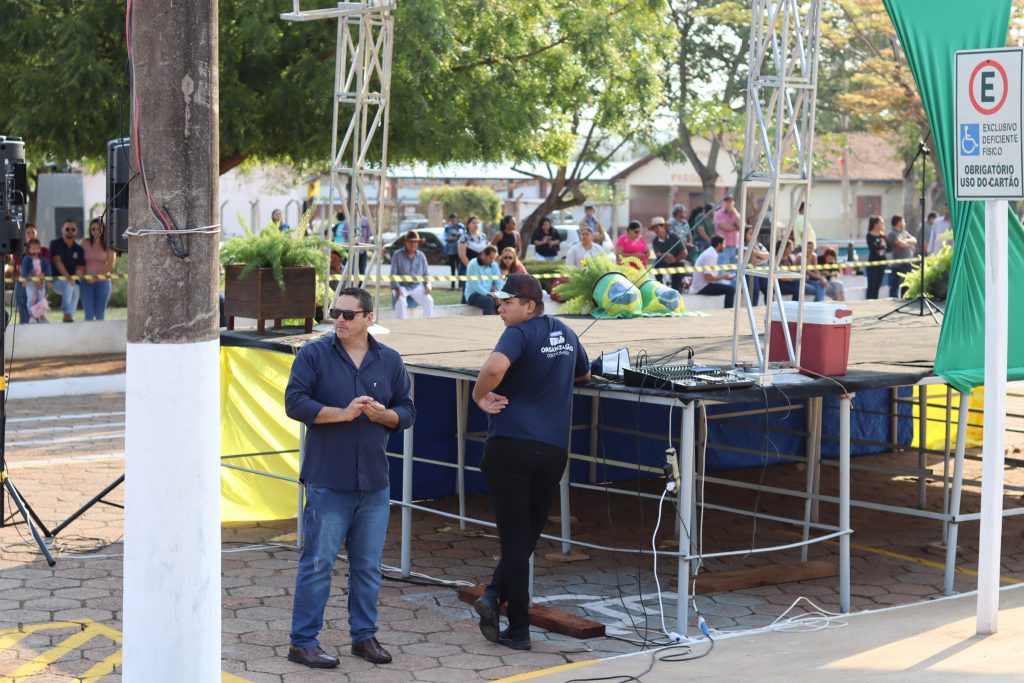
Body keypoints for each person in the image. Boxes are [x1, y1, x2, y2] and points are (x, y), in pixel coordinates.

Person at [284, 287, 415, 669]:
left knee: (368, 565)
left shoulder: (389, 360)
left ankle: (364, 637)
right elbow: (295, 402)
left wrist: (383, 416)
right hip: (328, 479)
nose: (339, 320)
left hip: (374, 480)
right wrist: (339, 414)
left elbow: (406, 410)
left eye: (348, 314)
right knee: (318, 562)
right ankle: (303, 642)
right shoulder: (314, 354)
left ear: (369, 318)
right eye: (335, 313)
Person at [471, 273, 590, 652]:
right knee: (525, 540)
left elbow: (493, 369)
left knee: (514, 540)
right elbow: (584, 375)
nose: (500, 308)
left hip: (512, 446)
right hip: (553, 451)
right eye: (498, 302)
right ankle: (492, 594)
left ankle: (518, 629)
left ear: (530, 306)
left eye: (506, 302)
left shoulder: (519, 334)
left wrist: (478, 395)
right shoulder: (567, 334)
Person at [390, 230, 435, 319]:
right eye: (410, 242)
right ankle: (401, 324)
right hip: (401, 286)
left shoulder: (421, 256)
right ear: (405, 242)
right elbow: (393, 274)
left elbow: (426, 274)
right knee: (401, 302)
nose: (413, 244)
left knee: (429, 301)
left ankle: (428, 324)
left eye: (415, 242)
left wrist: (428, 286)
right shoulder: (397, 255)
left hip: (416, 286)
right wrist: (397, 288)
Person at [49, 218, 86, 322]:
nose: (70, 231)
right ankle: (66, 312)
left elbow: (81, 266)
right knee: (69, 284)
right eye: (67, 229)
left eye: (73, 229)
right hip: (58, 282)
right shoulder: (55, 244)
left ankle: (70, 318)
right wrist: (69, 277)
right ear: (62, 230)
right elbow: (57, 261)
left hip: (73, 282)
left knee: (75, 289)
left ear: (76, 231)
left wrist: (78, 272)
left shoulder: (79, 249)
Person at [80, 219, 116, 321]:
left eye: (98, 229)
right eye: (93, 229)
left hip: (103, 283)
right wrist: (84, 275)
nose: (96, 231)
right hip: (85, 283)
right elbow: (78, 262)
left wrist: (95, 278)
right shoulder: (84, 243)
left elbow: (110, 265)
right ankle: (87, 337)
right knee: (89, 314)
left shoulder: (109, 244)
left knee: (100, 314)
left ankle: (100, 337)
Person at [14, 223, 48, 324]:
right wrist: (34, 279)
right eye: (27, 233)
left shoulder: (45, 250)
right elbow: (20, 268)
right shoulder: (18, 250)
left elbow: (46, 267)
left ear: (36, 233)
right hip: (24, 281)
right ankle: (25, 325)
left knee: (40, 302)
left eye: (33, 232)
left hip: (41, 281)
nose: (30, 234)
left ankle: (40, 321)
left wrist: (38, 280)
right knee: (24, 305)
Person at [691, 235, 734, 308]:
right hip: (702, 287)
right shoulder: (710, 255)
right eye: (724, 244)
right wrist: (724, 277)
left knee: (729, 288)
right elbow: (708, 278)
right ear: (719, 244)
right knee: (731, 289)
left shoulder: (711, 253)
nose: (725, 246)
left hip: (703, 285)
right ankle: (728, 312)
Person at [649, 216, 687, 291]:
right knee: (657, 264)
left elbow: (684, 252)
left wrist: (675, 259)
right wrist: (666, 255)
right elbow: (658, 254)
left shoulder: (675, 237)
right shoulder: (655, 241)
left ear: (664, 227)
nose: (656, 229)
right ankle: (659, 287)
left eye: (658, 227)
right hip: (664, 261)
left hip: (677, 261)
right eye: (654, 228)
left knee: (681, 265)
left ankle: (676, 289)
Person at [464, 246, 502, 314]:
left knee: (506, 300)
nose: (492, 261)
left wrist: (500, 295)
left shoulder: (494, 265)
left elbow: (499, 282)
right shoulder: (473, 265)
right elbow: (476, 286)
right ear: (483, 255)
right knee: (489, 301)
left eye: (494, 259)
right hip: (473, 295)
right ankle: (489, 322)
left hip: (489, 294)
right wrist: (490, 295)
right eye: (490, 258)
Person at [21, 239, 51, 323]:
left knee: (42, 298)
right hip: (30, 283)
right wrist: (25, 280)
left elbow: (47, 269)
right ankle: (32, 316)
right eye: (33, 248)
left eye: (37, 248)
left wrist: (48, 280)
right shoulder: (26, 259)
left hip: (41, 282)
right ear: (29, 249)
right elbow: (25, 270)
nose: (35, 250)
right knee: (31, 299)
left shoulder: (43, 260)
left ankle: (42, 316)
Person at [887, 214, 916, 299]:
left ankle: (905, 300)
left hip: (908, 263)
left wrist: (905, 241)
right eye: (903, 221)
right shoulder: (892, 233)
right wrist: (908, 244)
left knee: (906, 284)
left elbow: (914, 240)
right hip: (898, 264)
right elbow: (899, 244)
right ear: (899, 222)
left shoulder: (904, 232)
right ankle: (892, 301)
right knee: (895, 285)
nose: (905, 223)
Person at [458, 215, 490, 292]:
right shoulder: (464, 237)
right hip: (467, 268)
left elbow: (487, 252)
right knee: (468, 292)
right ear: (468, 225)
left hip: (482, 269)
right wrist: (472, 268)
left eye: (477, 223)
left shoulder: (483, 236)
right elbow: (462, 255)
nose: (476, 224)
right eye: (473, 223)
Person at [743, 225, 770, 306]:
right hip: (749, 272)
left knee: (769, 290)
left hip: (761, 271)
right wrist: (760, 257)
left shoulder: (759, 245)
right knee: (755, 290)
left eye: (754, 234)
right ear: (745, 235)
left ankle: (769, 309)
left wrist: (755, 253)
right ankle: (753, 309)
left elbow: (768, 255)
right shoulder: (742, 245)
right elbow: (752, 260)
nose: (753, 236)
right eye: (750, 234)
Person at [713, 196, 741, 265]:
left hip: (736, 247)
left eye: (730, 201)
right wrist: (737, 228)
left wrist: (736, 215)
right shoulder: (718, 214)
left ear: (733, 203)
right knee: (722, 269)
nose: (728, 203)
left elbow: (742, 226)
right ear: (723, 203)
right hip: (723, 247)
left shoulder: (737, 214)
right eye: (726, 201)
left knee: (735, 271)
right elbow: (725, 227)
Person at [865, 215, 887, 299]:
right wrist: (881, 248)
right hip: (873, 263)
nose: (883, 225)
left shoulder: (883, 236)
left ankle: (875, 301)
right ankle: (868, 302)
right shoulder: (869, 235)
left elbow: (888, 247)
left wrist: (882, 249)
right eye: (881, 223)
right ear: (876, 224)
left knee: (878, 285)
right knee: (872, 285)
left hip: (882, 262)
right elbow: (873, 248)